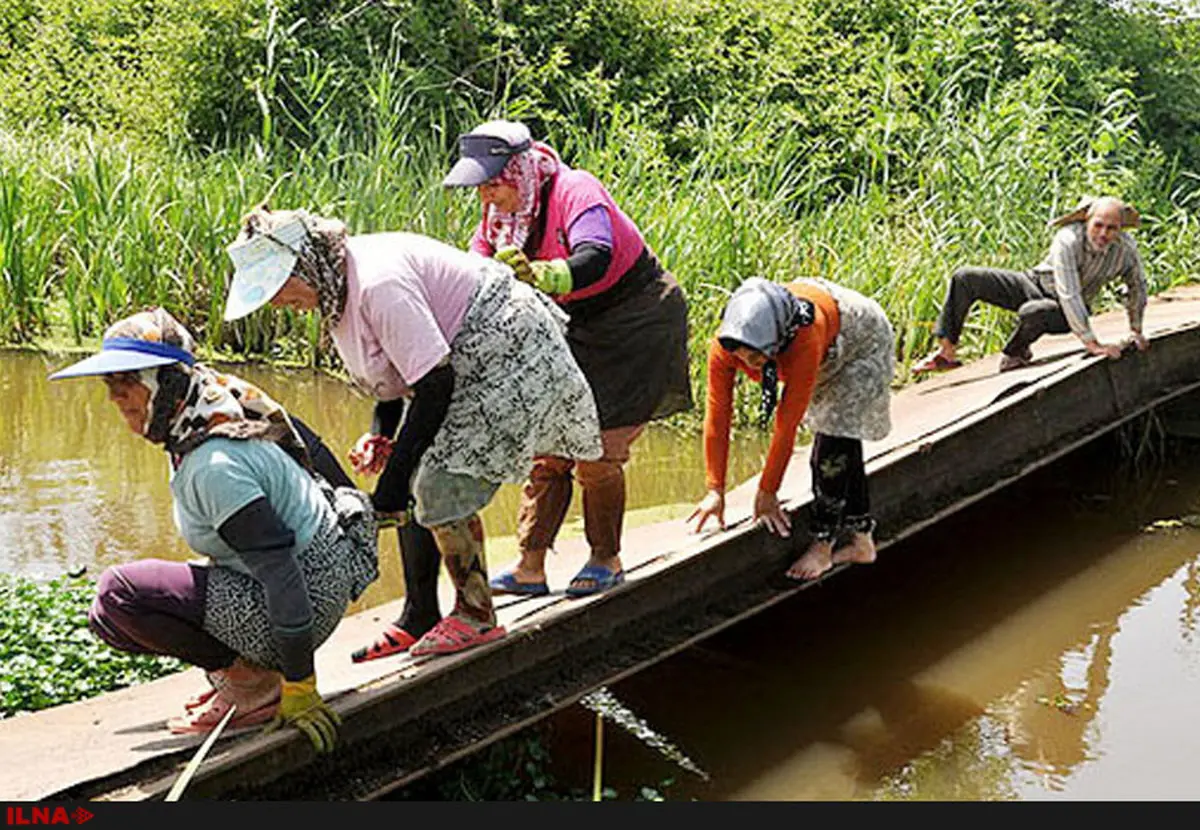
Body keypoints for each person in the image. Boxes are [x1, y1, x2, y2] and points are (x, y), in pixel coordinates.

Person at [221, 205, 603, 657]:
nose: (281, 302)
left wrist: (392, 484)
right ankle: (420, 614)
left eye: (282, 289)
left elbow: (435, 383)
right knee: (414, 477)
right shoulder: (338, 286)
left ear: (305, 265)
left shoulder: (379, 284)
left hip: (504, 345)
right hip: (456, 360)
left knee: (436, 481)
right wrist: (383, 435)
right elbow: (398, 372)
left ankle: (476, 614)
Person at [48, 308, 379, 753]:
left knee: (118, 594)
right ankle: (244, 673)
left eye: (126, 383)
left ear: (163, 384)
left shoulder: (214, 464)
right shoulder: (206, 408)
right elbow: (312, 447)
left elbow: (281, 571)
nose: (115, 398)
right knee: (105, 620)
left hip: (306, 594)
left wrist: (301, 684)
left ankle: (256, 684)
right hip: (303, 581)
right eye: (110, 385)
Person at [443, 119, 692, 598]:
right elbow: (472, 271)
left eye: (492, 184)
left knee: (597, 450)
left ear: (518, 170)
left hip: (635, 320)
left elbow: (594, 255)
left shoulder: (575, 190)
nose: (486, 198)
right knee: (547, 444)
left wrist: (539, 274)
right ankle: (530, 566)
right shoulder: (500, 218)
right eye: (480, 187)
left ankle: (606, 557)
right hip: (572, 324)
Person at [687, 276, 894, 582]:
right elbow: (718, 415)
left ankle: (824, 545)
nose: (750, 365)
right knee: (841, 438)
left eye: (757, 358)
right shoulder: (726, 345)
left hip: (861, 343)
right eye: (743, 358)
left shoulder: (803, 338)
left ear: (778, 340)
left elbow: (786, 426)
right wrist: (715, 489)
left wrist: (768, 491)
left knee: (831, 445)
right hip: (826, 347)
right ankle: (863, 542)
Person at [912, 196, 1150, 375]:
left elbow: (1137, 287)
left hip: (1063, 310)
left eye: (1112, 229)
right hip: (1035, 282)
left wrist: (1135, 330)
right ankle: (947, 353)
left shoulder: (1125, 251)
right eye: (1098, 225)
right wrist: (1094, 345)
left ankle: (1015, 352)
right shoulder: (1068, 239)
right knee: (965, 278)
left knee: (1034, 312)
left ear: (1120, 230)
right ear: (1087, 221)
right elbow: (1066, 286)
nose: (1103, 234)